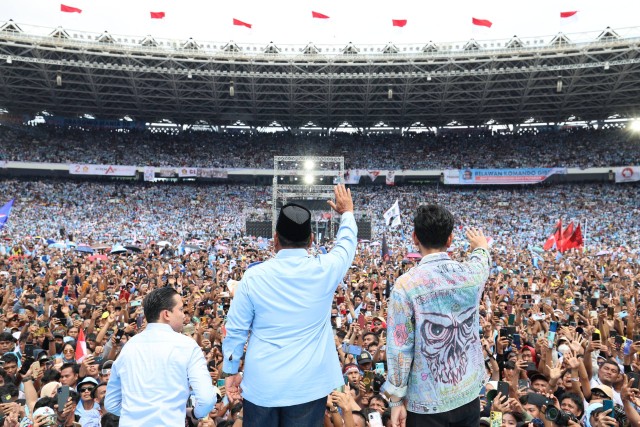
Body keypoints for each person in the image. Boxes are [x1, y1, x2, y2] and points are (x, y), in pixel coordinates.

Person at [222, 184, 358, 426]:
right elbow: (346, 244)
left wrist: (231, 370)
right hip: (307, 387)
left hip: (262, 385)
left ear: (275, 240)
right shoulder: (325, 269)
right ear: (312, 240)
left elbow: (236, 330)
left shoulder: (254, 277)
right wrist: (347, 213)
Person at [382, 204, 491, 427]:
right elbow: (482, 262)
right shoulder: (470, 274)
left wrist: (395, 401)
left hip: (425, 404)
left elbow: (399, 347)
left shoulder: (405, 286)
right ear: (450, 240)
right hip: (468, 396)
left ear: (415, 237)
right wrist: (481, 246)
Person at [104, 287, 215, 426]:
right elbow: (206, 399)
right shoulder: (188, 346)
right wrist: (194, 414)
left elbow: (111, 403)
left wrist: (135, 414)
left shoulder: (129, 347)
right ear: (166, 314)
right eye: (180, 310)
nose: (183, 315)